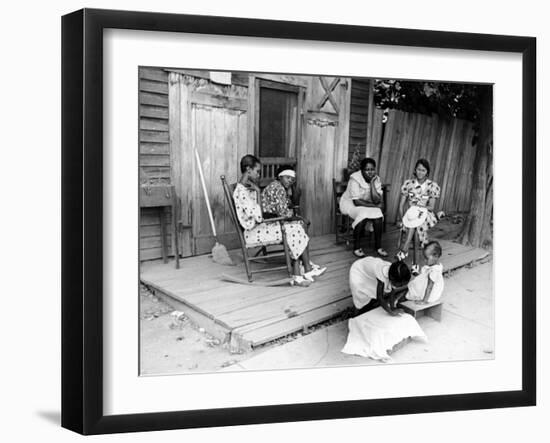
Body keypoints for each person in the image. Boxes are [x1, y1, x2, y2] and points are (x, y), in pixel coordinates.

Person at [233, 155, 325, 287]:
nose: (259, 175)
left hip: (259, 226)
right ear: (248, 169)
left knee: (297, 227)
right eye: (257, 171)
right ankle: (299, 272)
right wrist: (258, 192)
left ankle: (303, 270)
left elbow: (259, 212)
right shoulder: (241, 191)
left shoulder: (247, 188)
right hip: (252, 232)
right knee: (294, 229)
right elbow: (259, 216)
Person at [396, 158, 441, 274]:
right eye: (418, 169)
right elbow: (401, 205)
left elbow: (431, 207)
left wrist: (417, 205)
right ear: (415, 170)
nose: (420, 172)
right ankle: (415, 265)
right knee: (416, 229)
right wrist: (402, 220)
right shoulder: (408, 184)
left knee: (416, 225)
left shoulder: (432, 186)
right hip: (411, 216)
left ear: (427, 172)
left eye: (423, 170)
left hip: (426, 215)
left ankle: (404, 250)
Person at [339, 158, 387, 258]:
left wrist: (372, 184)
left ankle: (378, 246)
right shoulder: (355, 178)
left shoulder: (376, 179)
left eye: (372, 169)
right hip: (349, 203)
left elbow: (377, 200)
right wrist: (375, 206)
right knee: (363, 214)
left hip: (366, 204)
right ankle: (356, 247)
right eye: (367, 169)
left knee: (378, 213)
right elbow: (356, 202)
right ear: (362, 170)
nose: (370, 172)